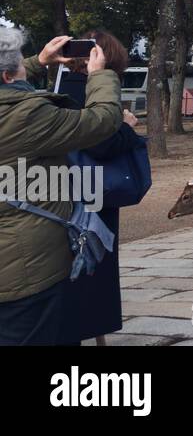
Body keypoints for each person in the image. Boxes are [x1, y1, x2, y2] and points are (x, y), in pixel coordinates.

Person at [0, 30, 122, 346]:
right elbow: (102, 120)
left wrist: (38, 62)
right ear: (8, 75)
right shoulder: (24, 114)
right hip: (23, 272)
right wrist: (101, 76)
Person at [58, 29, 146, 346]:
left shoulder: (58, 88)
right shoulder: (85, 89)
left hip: (62, 188)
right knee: (93, 262)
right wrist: (127, 127)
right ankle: (90, 330)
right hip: (93, 191)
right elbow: (100, 143)